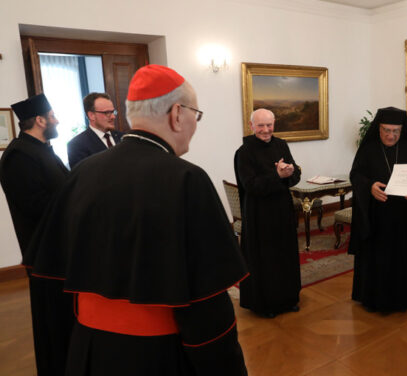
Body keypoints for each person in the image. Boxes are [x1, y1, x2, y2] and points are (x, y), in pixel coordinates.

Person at [24, 64, 249, 375]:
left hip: (87, 350)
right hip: (157, 357)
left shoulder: (81, 174)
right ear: (177, 113)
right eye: (195, 116)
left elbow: (56, 278)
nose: (195, 126)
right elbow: (206, 306)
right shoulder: (187, 179)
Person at [0, 93, 73, 376]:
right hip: (44, 253)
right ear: (40, 120)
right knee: (52, 321)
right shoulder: (19, 155)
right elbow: (35, 205)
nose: (57, 120)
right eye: (53, 116)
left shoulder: (42, 148)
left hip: (61, 249)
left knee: (64, 317)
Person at [349, 106, 407, 312]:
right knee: (375, 258)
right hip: (375, 215)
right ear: (378, 129)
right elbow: (355, 176)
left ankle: (399, 299)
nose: (391, 135)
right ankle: (371, 299)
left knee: (399, 258)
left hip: (401, 216)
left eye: (396, 131)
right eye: (386, 130)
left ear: (402, 130)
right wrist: (370, 186)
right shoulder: (368, 149)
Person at [234, 108, 301, 318]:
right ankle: (266, 304)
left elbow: (296, 174)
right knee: (265, 260)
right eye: (261, 125)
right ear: (251, 125)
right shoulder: (243, 152)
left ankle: (288, 299)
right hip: (259, 214)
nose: (265, 130)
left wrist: (290, 173)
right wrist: (277, 175)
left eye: (269, 125)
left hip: (282, 210)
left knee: (285, 255)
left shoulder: (281, 144)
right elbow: (251, 185)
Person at [67, 92, 123, 168]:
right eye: (107, 113)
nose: (113, 116)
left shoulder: (123, 137)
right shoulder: (77, 145)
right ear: (91, 115)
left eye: (113, 112)